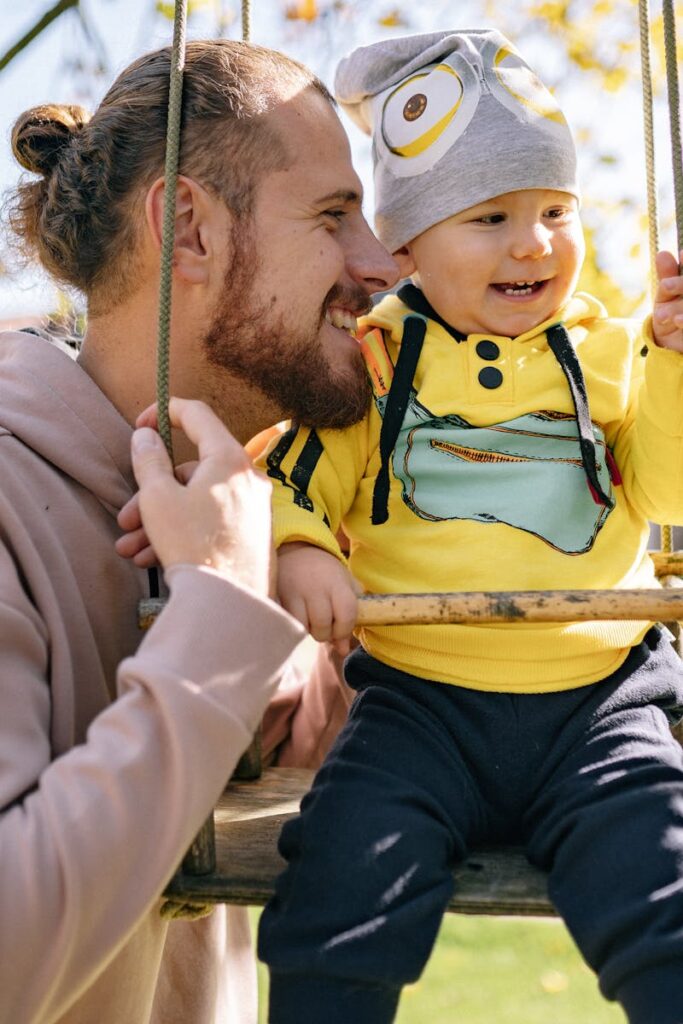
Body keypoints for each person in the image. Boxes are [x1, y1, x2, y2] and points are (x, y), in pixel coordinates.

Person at [257, 29, 683, 1024]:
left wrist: (669, 361)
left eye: (553, 211)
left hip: (598, 709)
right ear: (405, 242)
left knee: (661, 887)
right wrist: (300, 545)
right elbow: (295, 476)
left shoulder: (606, 354)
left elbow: (661, 490)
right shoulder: (369, 360)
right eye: (489, 215)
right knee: (337, 890)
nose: (532, 242)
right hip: (417, 708)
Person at [0, 38, 397, 1024]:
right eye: (332, 215)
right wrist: (218, 608)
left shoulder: (227, 506)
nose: (381, 265)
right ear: (187, 227)